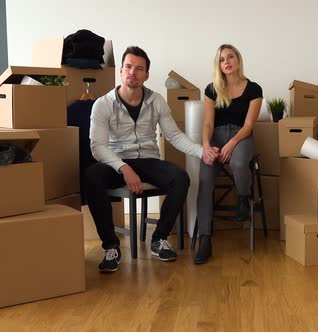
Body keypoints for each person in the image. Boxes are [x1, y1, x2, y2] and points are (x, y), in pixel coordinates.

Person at [86, 46, 213, 273]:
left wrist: (201, 151)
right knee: (92, 175)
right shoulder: (102, 104)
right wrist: (123, 167)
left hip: (148, 159)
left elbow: (173, 135)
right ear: (121, 71)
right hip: (116, 161)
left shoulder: (157, 101)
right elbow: (98, 147)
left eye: (139, 68)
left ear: (146, 75)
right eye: (128, 67)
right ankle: (111, 247)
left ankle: (159, 238)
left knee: (180, 178)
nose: (132, 72)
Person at [193, 44, 263, 264]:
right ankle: (205, 238)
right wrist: (206, 145)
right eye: (222, 59)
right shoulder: (212, 90)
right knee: (205, 179)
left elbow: (249, 125)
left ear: (238, 60)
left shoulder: (254, 89)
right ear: (219, 65)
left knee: (240, 162)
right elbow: (207, 123)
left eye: (230, 57)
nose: (227, 62)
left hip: (241, 137)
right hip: (216, 138)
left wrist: (232, 144)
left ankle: (243, 198)